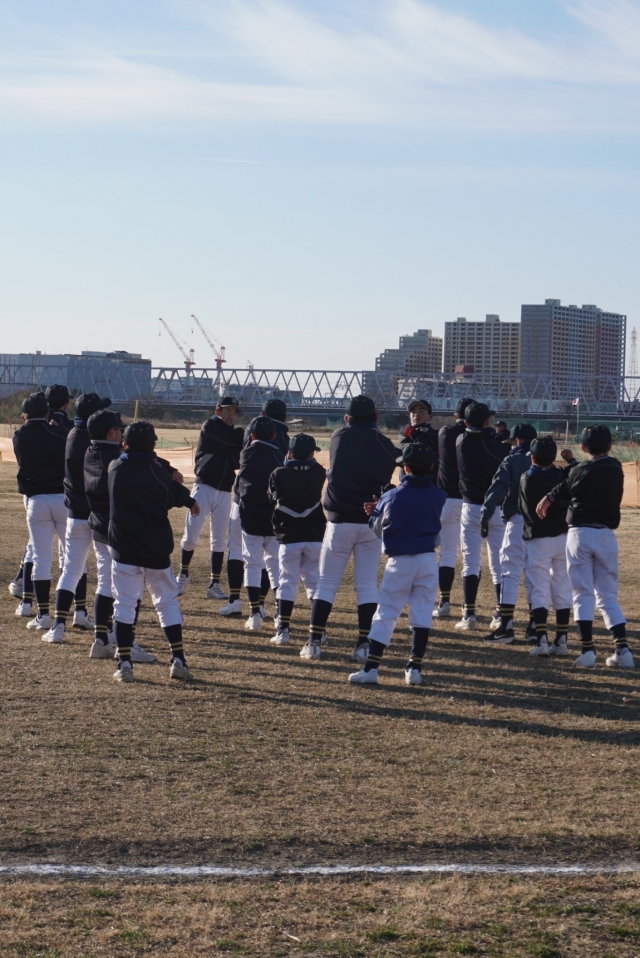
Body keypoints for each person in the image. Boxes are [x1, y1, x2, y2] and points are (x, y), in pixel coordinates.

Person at [300, 394, 399, 662]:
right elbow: (398, 458)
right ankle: (363, 644)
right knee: (366, 585)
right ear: (376, 417)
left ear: (346, 418)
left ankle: (314, 643)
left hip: (340, 520)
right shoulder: (383, 443)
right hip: (370, 520)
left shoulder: (338, 436)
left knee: (326, 583)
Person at [108, 421, 199, 683]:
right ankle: (178, 660)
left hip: (124, 549)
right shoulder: (158, 473)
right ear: (153, 445)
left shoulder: (114, 468)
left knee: (124, 605)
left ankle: (124, 663)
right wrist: (189, 500)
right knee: (166, 603)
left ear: (124, 444)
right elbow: (174, 494)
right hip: (155, 549)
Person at [537, 425, 634, 669]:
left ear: (582, 447)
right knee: (607, 596)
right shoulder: (616, 467)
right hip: (605, 535)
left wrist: (548, 497)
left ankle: (588, 651)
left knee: (582, 593)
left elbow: (570, 481)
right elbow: (589, 470)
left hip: (579, 534)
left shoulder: (578, 471)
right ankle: (623, 650)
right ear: (610, 446)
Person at [349, 443, 446, 686]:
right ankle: (414, 668)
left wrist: (376, 511)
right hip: (427, 559)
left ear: (406, 467)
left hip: (400, 560)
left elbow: (377, 529)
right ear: (431, 467)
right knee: (422, 613)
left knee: (386, 613)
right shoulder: (439, 495)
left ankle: (371, 668)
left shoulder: (391, 495)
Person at [41, 393, 112, 644]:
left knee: (71, 569)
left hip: (76, 514)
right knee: (106, 573)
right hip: (98, 514)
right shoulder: (97, 443)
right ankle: (105, 631)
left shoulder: (72, 434)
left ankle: (58, 626)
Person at [176, 397, 244, 599]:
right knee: (191, 536)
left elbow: (236, 460)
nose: (231, 416)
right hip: (203, 486)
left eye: (234, 413)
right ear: (218, 411)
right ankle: (183, 574)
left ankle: (214, 584)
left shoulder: (233, 433)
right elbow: (225, 445)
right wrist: (236, 441)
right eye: (228, 411)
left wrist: (235, 444)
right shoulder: (210, 426)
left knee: (219, 539)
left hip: (224, 489)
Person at [12, 392, 68, 630]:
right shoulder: (57, 432)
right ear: (47, 413)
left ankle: (42, 614)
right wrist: (57, 428)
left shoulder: (19, 436)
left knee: (40, 558)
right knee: (71, 557)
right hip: (62, 498)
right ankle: (77, 610)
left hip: (36, 499)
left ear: (24, 416)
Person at [480, 423, 538, 644]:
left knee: (509, 573)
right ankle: (535, 628)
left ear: (518, 441)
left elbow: (498, 486)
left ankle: (506, 627)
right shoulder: (545, 459)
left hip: (517, 519)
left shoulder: (512, 459)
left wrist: (486, 512)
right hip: (541, 525)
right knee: (535, 575)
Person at [267, 433, 327, 646]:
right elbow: (315, 467)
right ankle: (320, 631)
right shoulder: (319, 472)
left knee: (287, 581)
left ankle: (283, 630)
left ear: (289, 453)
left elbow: (271, 498)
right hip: (314, 534)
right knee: (314, 581)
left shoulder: (278, 473)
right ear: (311, 454)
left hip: (289, 535)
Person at [455, 401, 509, 630]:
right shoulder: (496, 446)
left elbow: (474, 434)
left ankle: (469, 614)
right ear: (487, 421)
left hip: (470, 506)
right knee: (498, 562)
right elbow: (499, 454)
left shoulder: (460, 440)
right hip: (495, 507)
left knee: (471, 561)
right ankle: (500, 614)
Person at [520, 436, 574, 657]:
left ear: (532, 458)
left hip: (539, 539)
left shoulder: (527, 478)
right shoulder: (563, 476)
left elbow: (524, 510)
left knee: (539, 588)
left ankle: (541, 639)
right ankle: (561, 640)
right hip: (562, 537)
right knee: (562, 588)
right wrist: (571, 461)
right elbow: (575, 475)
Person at [235, 416, 283, 631]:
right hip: (273, 518)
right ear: (275, 435)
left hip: (251, 517)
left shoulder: (246, 454)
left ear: (252, 436)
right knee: (275, 564)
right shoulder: (279, 455)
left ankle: (255, 613)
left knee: (252, 564)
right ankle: (280, 612)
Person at [433, 397, 473, 617]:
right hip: (470, 500)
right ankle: (469, 608)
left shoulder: (445, 433)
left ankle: (444, 602)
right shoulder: (477, 438)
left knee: (447, 553)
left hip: (448, 499)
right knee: (471, 555)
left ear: (456, 416)